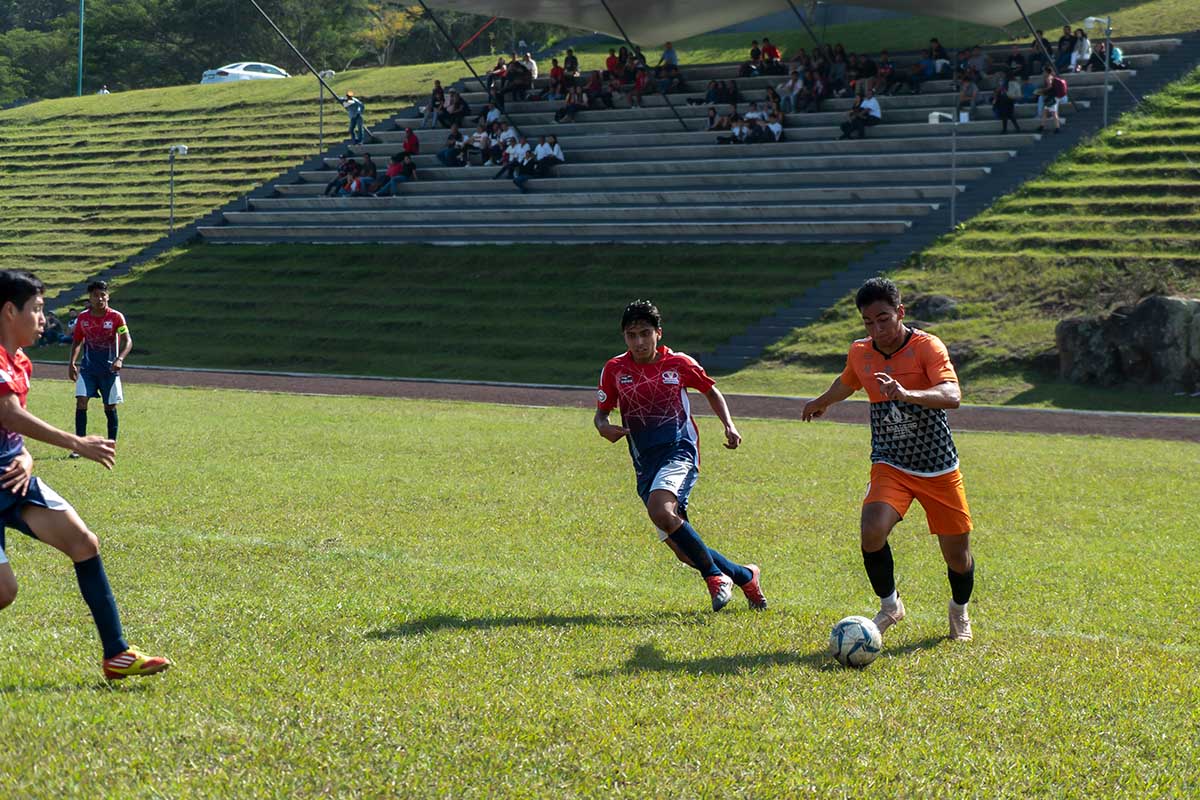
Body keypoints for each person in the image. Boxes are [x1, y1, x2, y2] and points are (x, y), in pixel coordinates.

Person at [0, 270, 171, 679]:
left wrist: (26, 456)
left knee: (83, 541)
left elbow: (9, 428)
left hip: (11, 479)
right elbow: (7, 413)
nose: (44, 320)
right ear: (9, 311)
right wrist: (76, 443)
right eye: (37, 310)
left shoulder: (20, 362)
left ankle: (116, 654)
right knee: (4, 592)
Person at [801, 277, 975, 642]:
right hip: (890, 463)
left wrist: (907, 392)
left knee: (957, 557)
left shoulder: (927, 347)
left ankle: (959, 610)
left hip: (938, 467)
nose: (876, 329)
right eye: (868, 322)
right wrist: (822, 401)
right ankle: (890, 605)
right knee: (872, 530)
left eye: (883, 319)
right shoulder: (860, 351)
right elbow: (848, 381)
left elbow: (952, 393)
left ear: (900, 312)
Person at [595, 300, 767, 613]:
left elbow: (711, 390)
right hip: (644, 463)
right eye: (632, 335)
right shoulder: (615, 369)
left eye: (645, 333)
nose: (639, 342)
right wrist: (603, 427)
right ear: (624, 337)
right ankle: (744, 576)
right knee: (683, 549)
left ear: (658, 333)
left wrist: (729, 425)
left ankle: (715, 577)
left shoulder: (677, 363)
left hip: (679, 451)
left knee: (661, 509)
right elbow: (601, 415)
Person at [68, 280, 129, 452]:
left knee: (109, 406)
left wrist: (120, 359)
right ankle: (79, 446)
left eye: (102, 295)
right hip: (87, 369)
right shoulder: (83, 318)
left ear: (108, 296)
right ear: (90, 298)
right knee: (81, 402)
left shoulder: (116, 317)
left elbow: (128, 341)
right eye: (95, 295)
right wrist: (72, 362)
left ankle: (111, 445)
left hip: (109, 371)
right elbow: (78, 340)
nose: (99, 298)